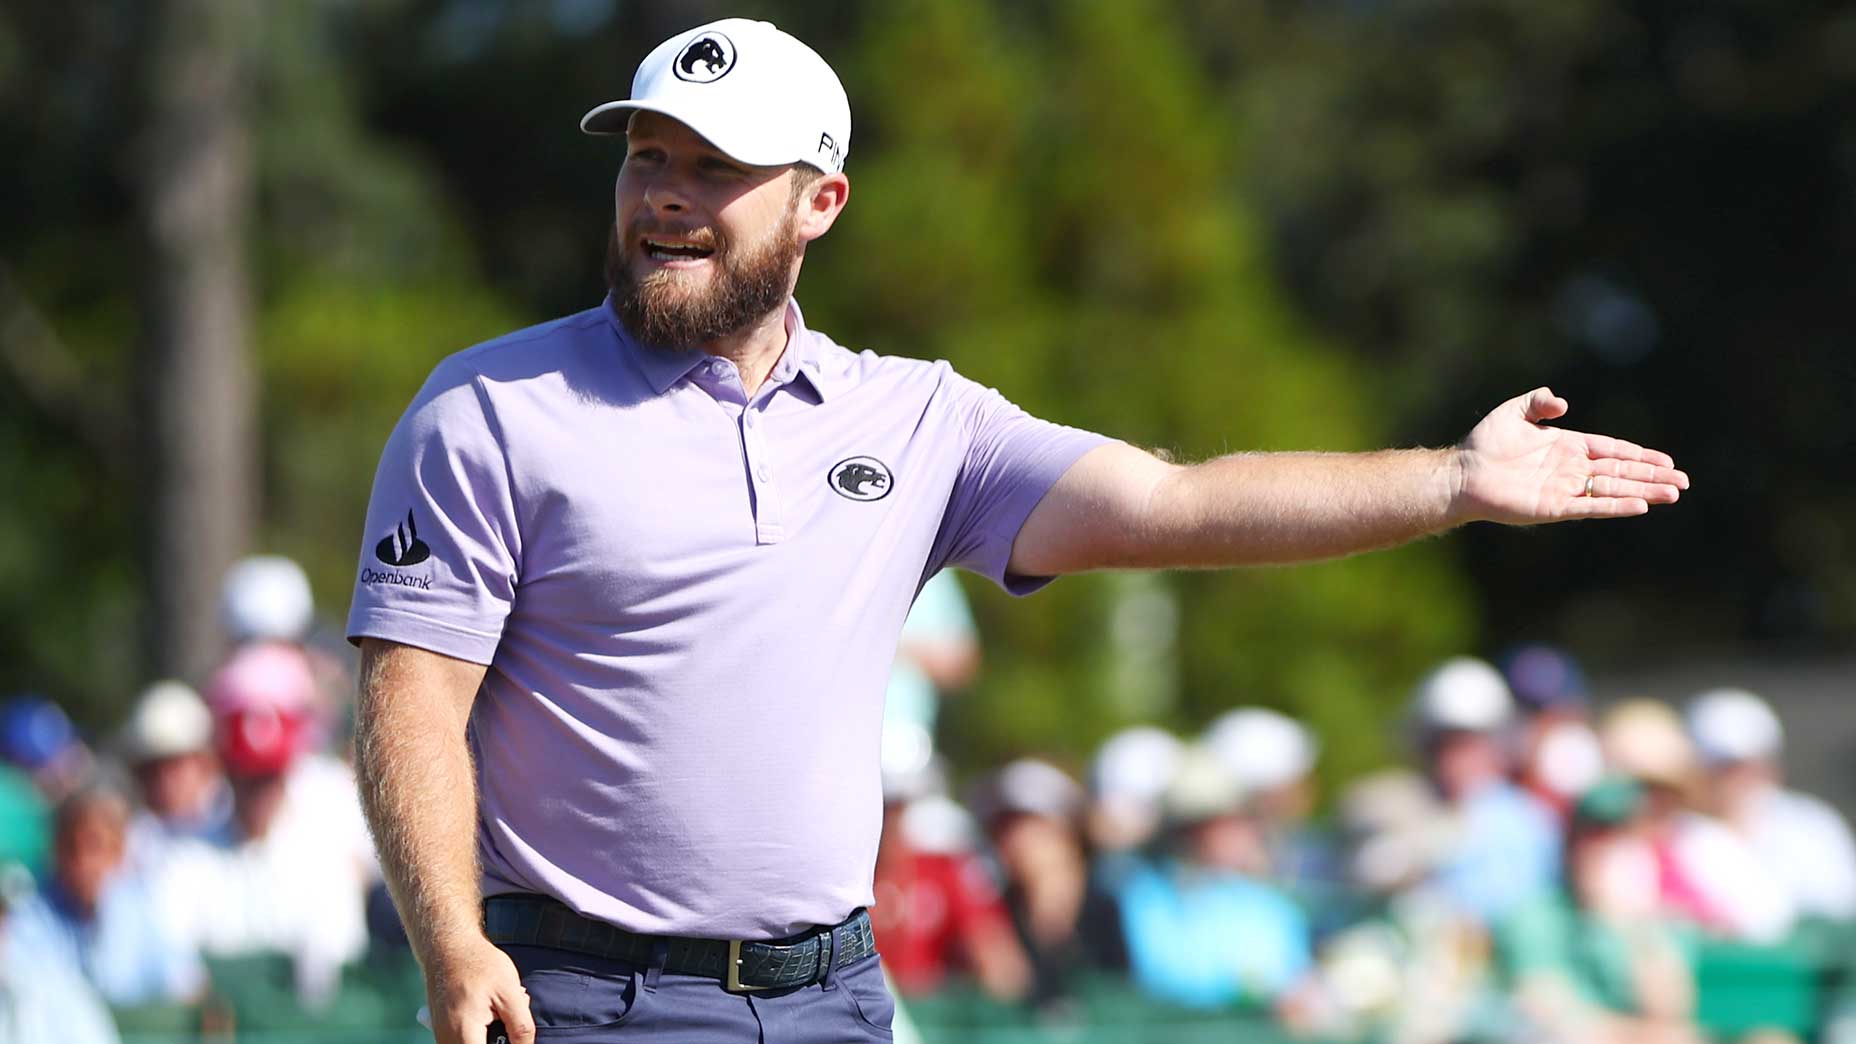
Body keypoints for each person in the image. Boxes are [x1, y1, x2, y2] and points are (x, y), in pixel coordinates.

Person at [344, 18, 1687, 1044]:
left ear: (821, 202)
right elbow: (410, 697)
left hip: (838, 999)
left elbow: (1176, 503)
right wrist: (451, 944)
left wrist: (1451, 479)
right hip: (582, 1002)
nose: (665, 197)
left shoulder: (918, 419)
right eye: (647, 158)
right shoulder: (490, 408)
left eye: (716, 167)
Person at [6, 779, 203, 1006]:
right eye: (72, 847)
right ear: (56, 850)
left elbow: (186, 982)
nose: (83, 862)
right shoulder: (31, 910)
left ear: (118, 851)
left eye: (95, 846)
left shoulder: (139, 905)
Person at [1684, 688, 1856, 922]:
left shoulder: (1811, 826)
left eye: (1753, 763)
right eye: (1725, 767)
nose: (1741, 778)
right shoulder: (1677, 834)